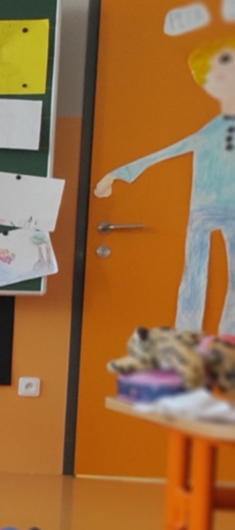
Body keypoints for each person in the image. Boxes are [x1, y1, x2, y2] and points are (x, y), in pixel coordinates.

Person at [95, 37, 235, 333]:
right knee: (194, 275)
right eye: (215, 72)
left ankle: (228, 335)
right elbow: (170, 150)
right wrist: (117, 174)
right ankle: (186, 334)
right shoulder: (210, 130)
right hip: (203, 209)